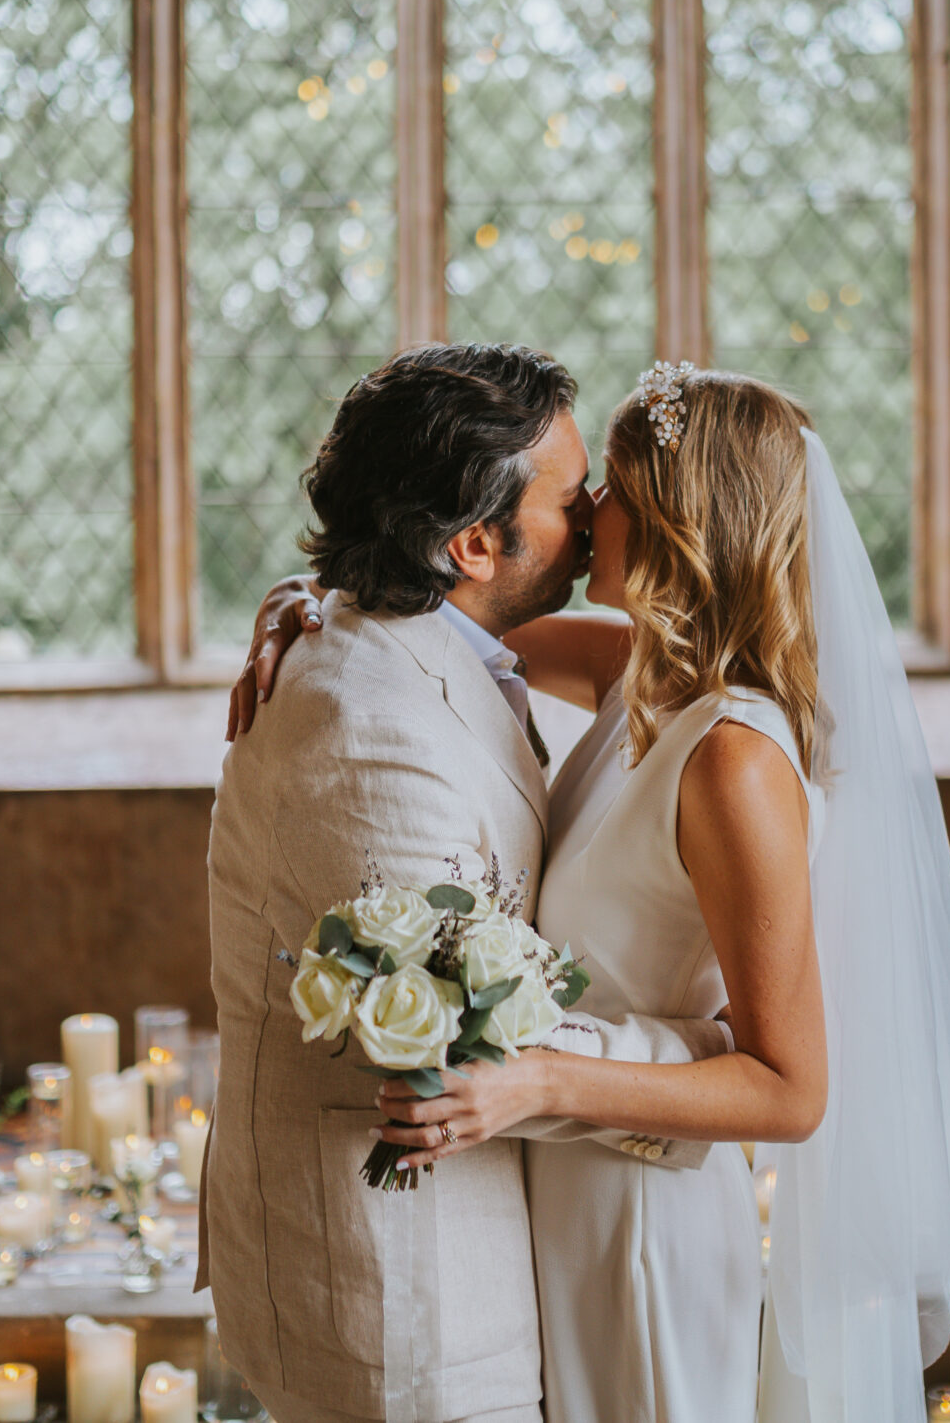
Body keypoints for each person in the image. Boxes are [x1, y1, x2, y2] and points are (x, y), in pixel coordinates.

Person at [233, 358, 950, 1423]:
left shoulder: (734, 760)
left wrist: (537, 1082)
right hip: (554, 1196)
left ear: (676, 526)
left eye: (606, 489)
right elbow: (440, 618)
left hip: (642, 1221)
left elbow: (789, 1091)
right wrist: (302, 600)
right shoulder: (640, 675)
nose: (588, 509)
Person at [202, 344, 741, 1423]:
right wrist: (719, 1059)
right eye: (569, 495)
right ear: (474, 543)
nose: (593, 512)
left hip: (554, 1222)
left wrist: (315, 589)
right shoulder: (366, 734)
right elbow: (457, 1044)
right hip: (405, 1283)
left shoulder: (439, 641)